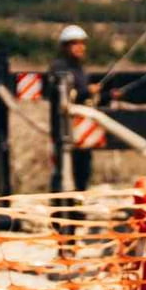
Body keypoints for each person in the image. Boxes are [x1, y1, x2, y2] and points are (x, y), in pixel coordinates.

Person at [46, 24, 100, 193]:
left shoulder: (80, 69)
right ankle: (59, 214)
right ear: (64, 47)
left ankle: (78, 212)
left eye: (82, 43)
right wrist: (86, 91)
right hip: (64, 132)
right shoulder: (59, 68)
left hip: (81, 132)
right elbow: (63, 94)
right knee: (62, 173)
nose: (80, 47)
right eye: (74, 43)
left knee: (83, 174)